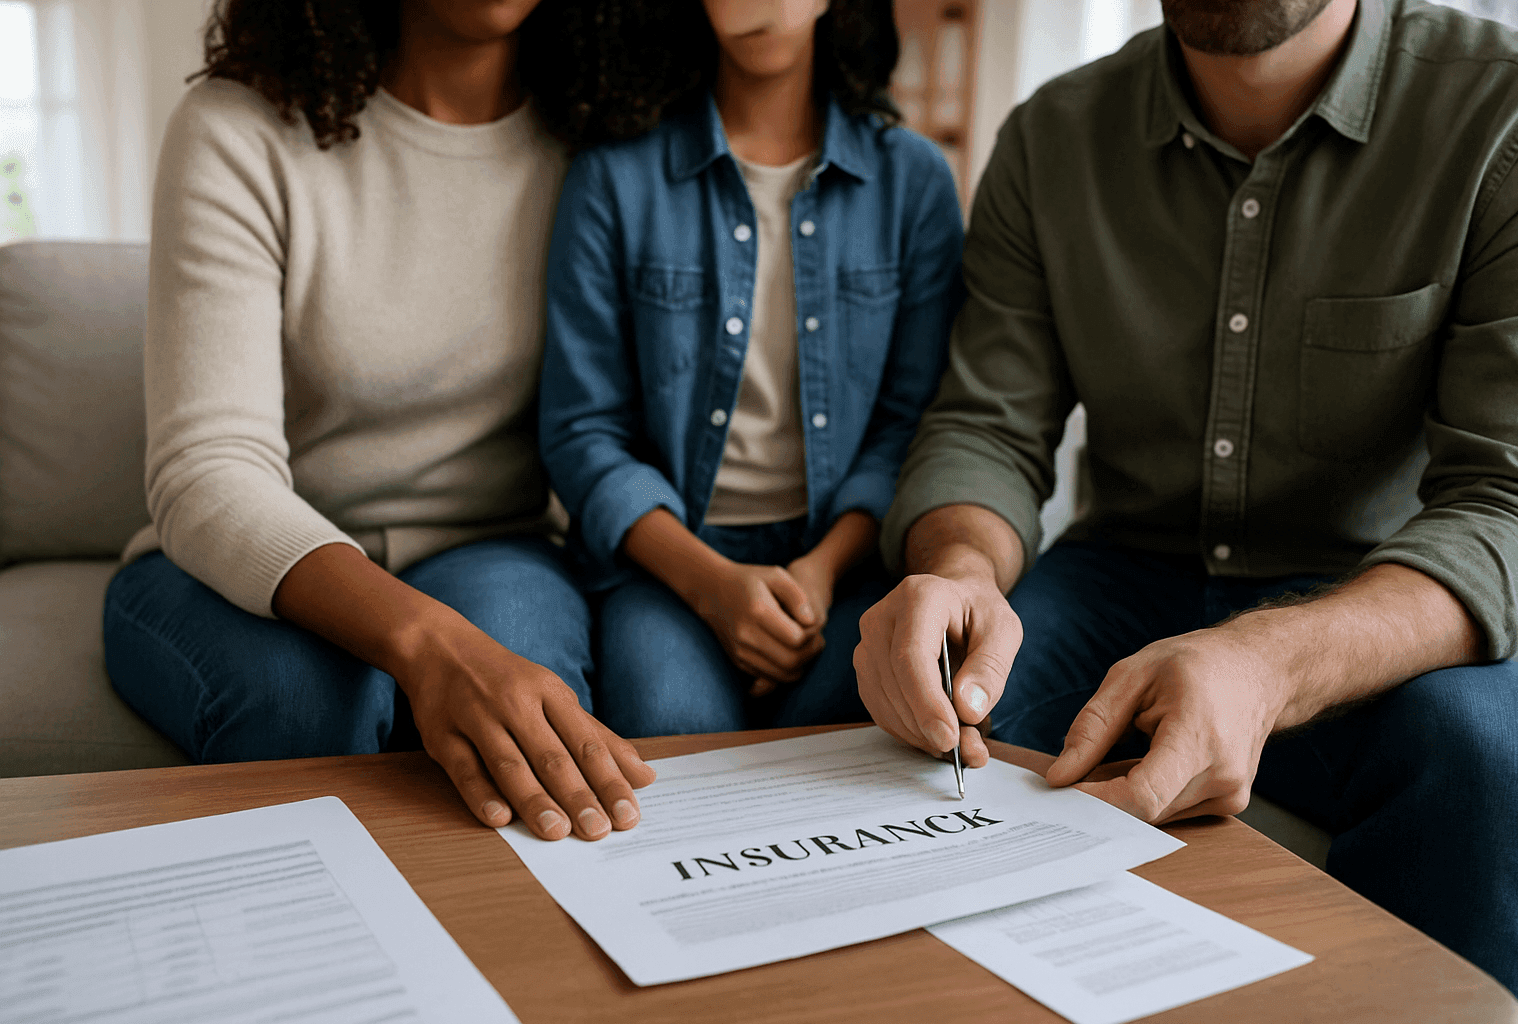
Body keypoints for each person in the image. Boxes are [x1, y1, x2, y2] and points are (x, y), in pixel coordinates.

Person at [854, 0, 1518, 1009]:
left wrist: (1264, 664)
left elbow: (1509, 501)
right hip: (1124, 579)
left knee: (1493, 759)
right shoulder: (1053, 137)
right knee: (903, 708)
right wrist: (956, 572)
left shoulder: (1504, 114)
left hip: (1373, 603)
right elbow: (987, 429)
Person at [103, 0, 656, 842]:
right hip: (240, 566)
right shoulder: (237, 129)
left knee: (533, 726)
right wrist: (432, 645)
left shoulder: (602, 144)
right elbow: (207, 466)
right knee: (308, 705)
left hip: (495, 544)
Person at [538, 0, 963, 736]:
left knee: (866, 729)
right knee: (668, 719)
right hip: (670, 561)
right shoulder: (613, 177)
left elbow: (912, 424)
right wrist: (713, 586)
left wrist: (820, 572)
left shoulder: (914, 180)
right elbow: (583, 431)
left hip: (845, 558)